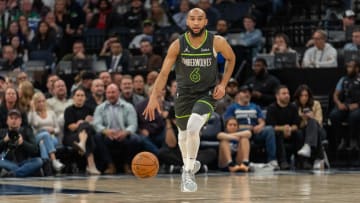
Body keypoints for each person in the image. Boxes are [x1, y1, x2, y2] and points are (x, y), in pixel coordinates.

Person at [143, 8, 235, 192]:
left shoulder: (217, 42)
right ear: (187, 22)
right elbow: (163, 74)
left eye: (199, 19)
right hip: (184, 95)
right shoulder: (178, 45)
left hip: (206, 94)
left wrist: (223, 84)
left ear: (205, 21)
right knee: (183, 136)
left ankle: (188, 171)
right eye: (192, 19)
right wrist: (153, 97)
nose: (195, 22)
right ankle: (190, 164)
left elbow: (231, 59)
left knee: (193, 128)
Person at [223, 85, 279, 169]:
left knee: (269, 129)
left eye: (249, 93)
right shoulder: (232, 108)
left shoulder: (255, 107)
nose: (247, 95)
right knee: (246, 132)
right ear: (238, 95)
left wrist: (260, 126)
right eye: (244, 92)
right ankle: (245, 162)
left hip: (255, 132)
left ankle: (272, 160)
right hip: (240, 131)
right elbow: (229, 124)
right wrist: (246, 127)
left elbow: (262, 121)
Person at [64, 88, 100, 175]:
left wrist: (84, 123)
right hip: (71, 137)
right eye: (78, 95)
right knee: (86, 129)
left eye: (82, 95)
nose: (80, 98)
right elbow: (71, 127)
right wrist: (80, 123)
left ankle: (82, 144)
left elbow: (94, 124)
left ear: (85, 98)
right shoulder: (69, 110)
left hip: (86, 135)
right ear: (73, 97)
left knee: (87, 128)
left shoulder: (90, 109)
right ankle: (91, 166)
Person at [266, 85, 302, 170]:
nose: (287, 95)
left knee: (299, 133)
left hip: (290, 131)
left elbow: (296, 125)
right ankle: (282, 161)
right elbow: (271, 126)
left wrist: (289, 129)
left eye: (288, 93)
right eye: (284, 93)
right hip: (278, 132)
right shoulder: (272, 108)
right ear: (277, 96)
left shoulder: (293, 107)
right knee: (278, 134)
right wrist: (283, 128)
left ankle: (301, 161)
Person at [28, 92, 64, 172]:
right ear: (34, 103)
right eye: (39, 102)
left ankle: (46, 166)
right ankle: (54, 160)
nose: (41, 103)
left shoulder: (51, 113)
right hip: (36, 137)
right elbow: (35, 124)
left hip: (52, 138)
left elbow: (58, 129)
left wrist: (53, 130)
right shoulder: (31, 114)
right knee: (44, 134)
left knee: (42, 143)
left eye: (43, 101)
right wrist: (33, 109)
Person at [0, 109, 43, 177]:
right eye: (11, 118)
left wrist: (23, 143)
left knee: (39, 161)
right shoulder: (2, 132)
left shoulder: (27, 130)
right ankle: (25, 171)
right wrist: (4, 140)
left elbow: (35, 149)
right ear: (7, 121)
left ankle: (13, 174)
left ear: (20, 121)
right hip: (7, 162)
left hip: (23, 162)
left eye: (16, 118)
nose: (14, 120)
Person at [293, 84, 327, 169]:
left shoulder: (316, 104)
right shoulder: (294, 106)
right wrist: (303, 119)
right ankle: (319, 158)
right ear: (298, 96)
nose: (304, 98)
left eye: (306, 95)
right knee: (299, 133)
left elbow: (319, 122)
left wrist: (311, 118)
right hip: (302, 131)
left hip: (319, 130)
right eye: (301, 96)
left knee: (312, 121)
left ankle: (307, 146)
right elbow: (296, 125)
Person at [329, 60, 360, 150]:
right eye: (347, 67)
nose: (348, 69)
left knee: (353, 116)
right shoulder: (343, 79)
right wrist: (339, 104)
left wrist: (357, 105)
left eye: (350, 67)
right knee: (333, 115)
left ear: (357, 69)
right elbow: (335, 94)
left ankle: (353, 139)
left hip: (357, 105)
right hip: (345, 104)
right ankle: (342, 138)